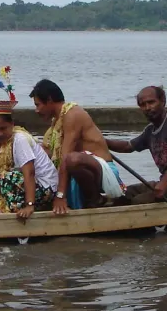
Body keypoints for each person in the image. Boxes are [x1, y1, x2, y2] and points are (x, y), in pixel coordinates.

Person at [0, 69, 58, 220]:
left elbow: (29, 173)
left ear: (11, 124)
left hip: (46, 187)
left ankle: (22, 208)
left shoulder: (20, 139)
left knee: (6, 177)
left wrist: (29, 204)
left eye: (3, 129)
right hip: (26, 185)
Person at [30, 78, 125, 214]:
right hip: (79, 170)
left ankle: (95, 200)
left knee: (72, 159)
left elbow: (66, 157)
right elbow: (48, 153)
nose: (36, 110)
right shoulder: (55, 123)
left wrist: (60, 195)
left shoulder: (72, 114)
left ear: (49, 100)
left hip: (104, 172)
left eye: (38, 105)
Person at [105, 85, 167, 202]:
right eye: (143, 105)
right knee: (124, 193)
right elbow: (127, 146)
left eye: (151, 102)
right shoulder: (150, 130)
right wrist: (101, 141)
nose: (147, 108)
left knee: (139, 201)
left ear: (163, 101)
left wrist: (164, 182)